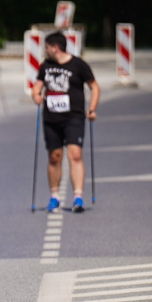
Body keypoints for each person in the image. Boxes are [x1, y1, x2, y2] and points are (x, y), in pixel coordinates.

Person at [31, 31, 100, 213]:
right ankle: (54, 197)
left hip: (73, 116)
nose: (44, 50)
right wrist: (36, 96)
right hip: (51, 118)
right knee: (55, 157)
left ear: (55, 48)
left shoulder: (78, 65)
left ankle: (78, 197)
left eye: (46, 47)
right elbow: (37, 87)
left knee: (75, 155)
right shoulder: (45, 66)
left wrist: (92, 108)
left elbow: (94, 86)